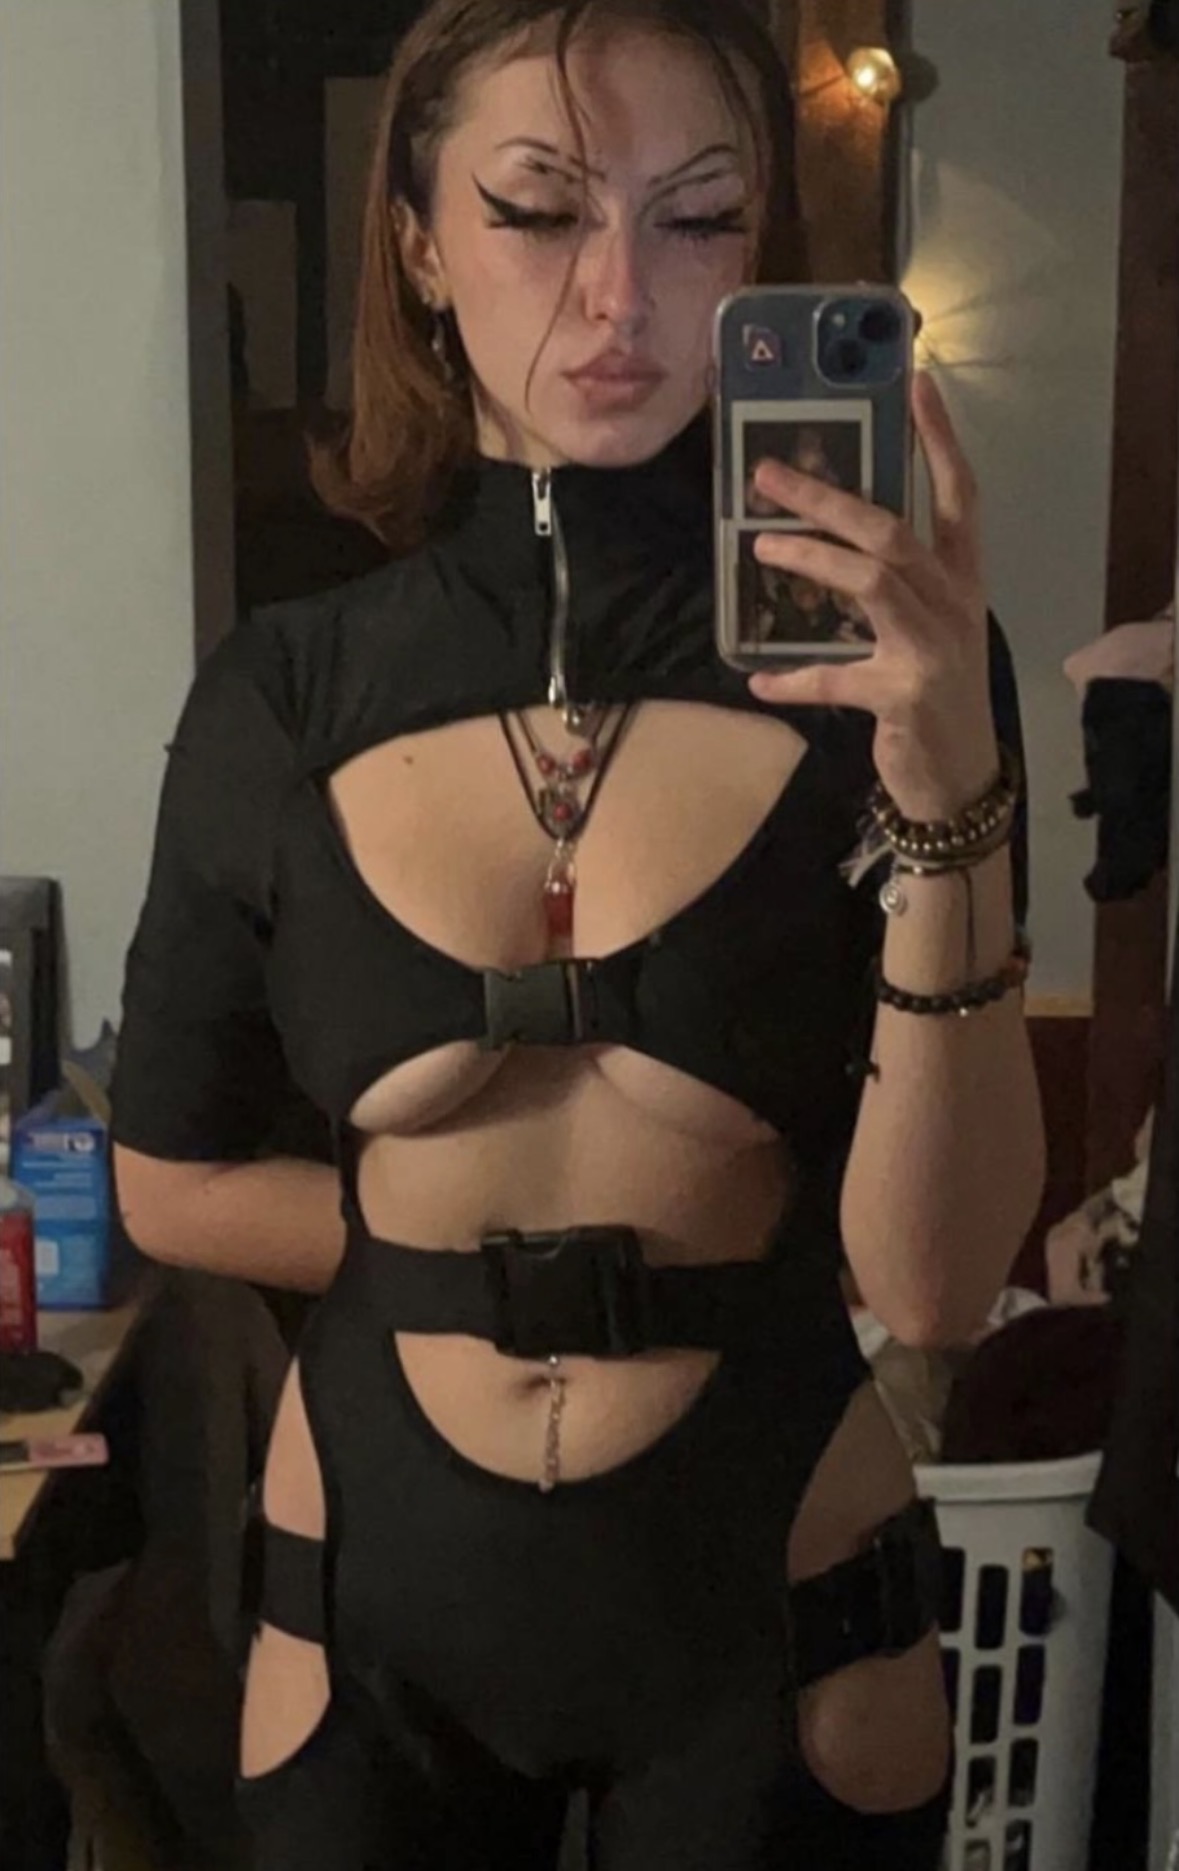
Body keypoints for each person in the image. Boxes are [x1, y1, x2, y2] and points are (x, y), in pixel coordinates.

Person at [110, 2, 1046, 1865]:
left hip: (773, 1592)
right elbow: (168, 1180)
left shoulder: (895, 672)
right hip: (372, 1593)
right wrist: (473, 1257)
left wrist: (947, 776)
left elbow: (937, 1290)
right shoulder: (284, 697)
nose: (623, 295)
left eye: (697, 218)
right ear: (417, 240)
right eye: (540, 210)